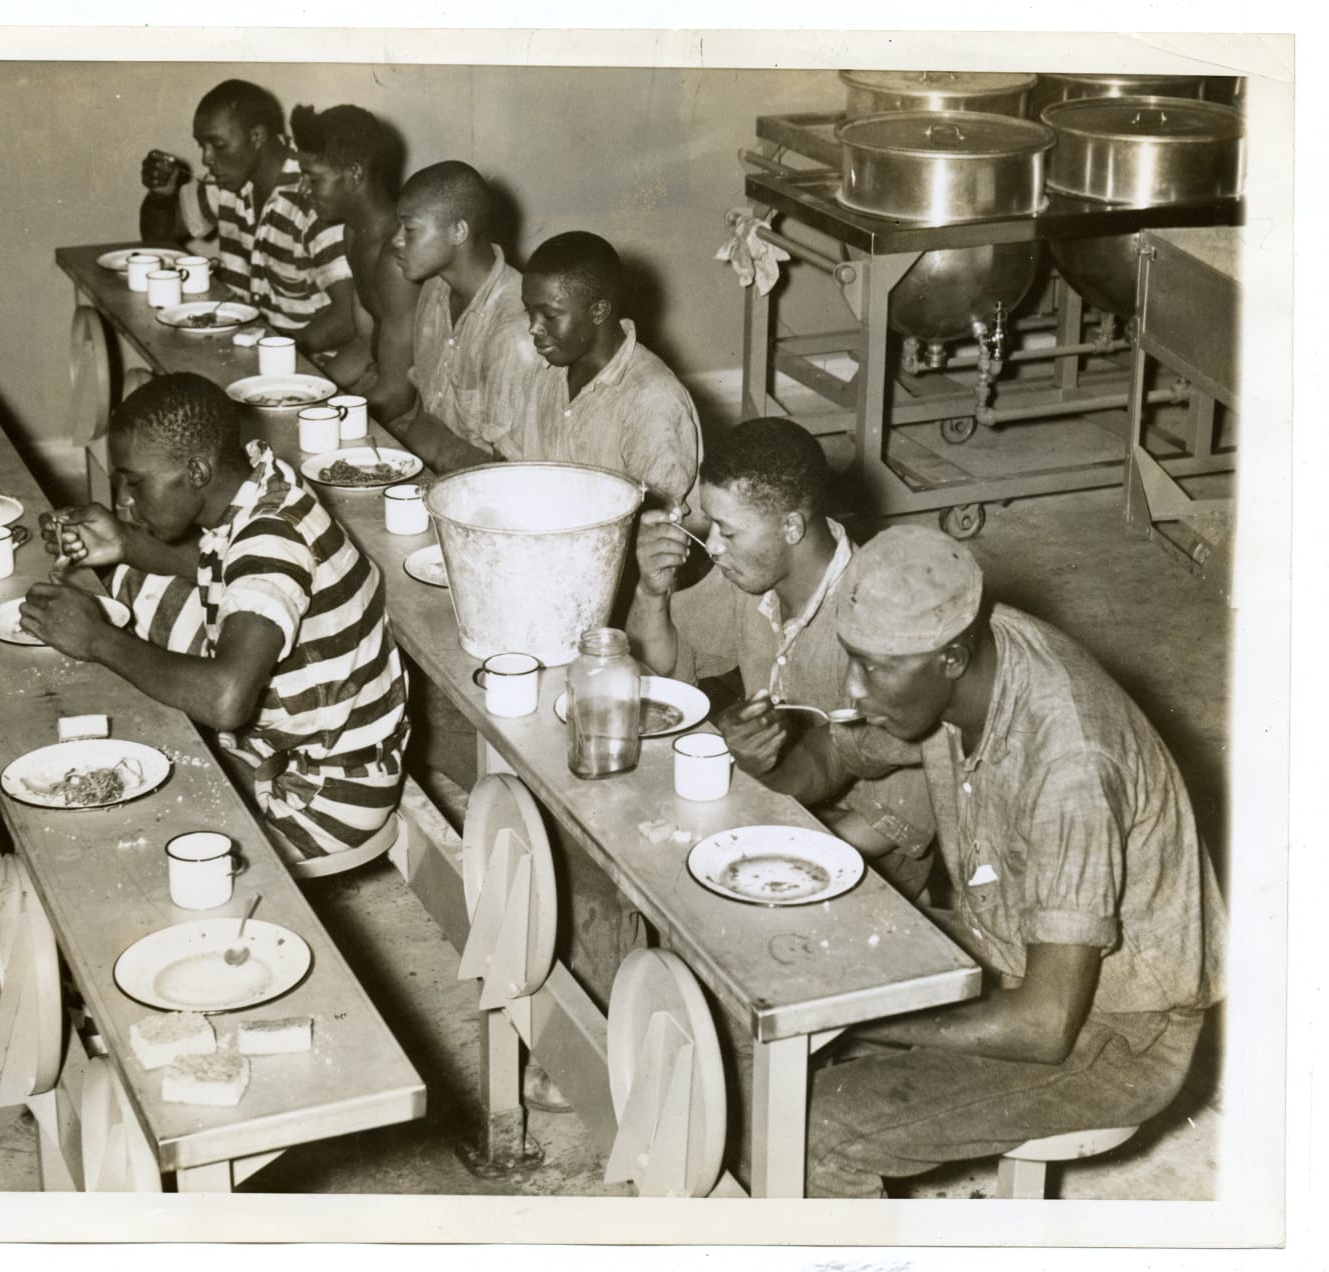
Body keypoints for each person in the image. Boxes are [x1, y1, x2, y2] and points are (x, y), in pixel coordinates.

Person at [781, 525, 1226, 1197]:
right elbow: (834, 755)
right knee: (771, 992)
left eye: (872, 667)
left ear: (951, 658)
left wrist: (855, 1013)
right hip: (1001, 946)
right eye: (853, 659)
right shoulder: (957, 667)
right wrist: (767, 761)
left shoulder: (1070, 765)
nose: (854, 687)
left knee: (810, 1128)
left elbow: (1045, 1027)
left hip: (1113, 1030)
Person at [21, 373, 408, 869]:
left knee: (112, 834)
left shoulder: (270, 544)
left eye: (136, 483)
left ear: (197, 471)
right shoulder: (263, 483)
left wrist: (97, 640)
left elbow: (226, 700)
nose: (125, 500)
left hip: (318, 798)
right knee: (133, 582)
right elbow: (219, 567)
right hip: (325, 747)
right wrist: (124, 543)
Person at [625, 418, 937, 896]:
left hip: (863, 867)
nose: (712, 548)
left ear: (791, 527)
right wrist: (651, 590)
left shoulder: (882, 624)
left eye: (728, 532)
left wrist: (753, 850)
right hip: (769, 810)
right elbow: (664, 671)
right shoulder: (751, 573)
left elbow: (898, 820)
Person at [139, 79, 357, 353]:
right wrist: (161, 197)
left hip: (310, 366)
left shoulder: (314, 197)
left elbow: (348, 317)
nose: (206, 159)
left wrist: (267, 351)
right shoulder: (227, 183)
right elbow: (156, 241)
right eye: (201, 146)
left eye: (217, 145)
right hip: (246, 353)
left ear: (256, 136)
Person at [507, 231, 701, 507]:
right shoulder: (546, 371)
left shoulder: (652, 398)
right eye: (529, 312)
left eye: (549, 316)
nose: (533, 328)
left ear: (598, 312)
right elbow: (519, 471)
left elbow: (656, 525)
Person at [387, 160, 541, 473]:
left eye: (410, 228)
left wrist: (438, 448)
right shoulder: (435, 287)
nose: (396, 240)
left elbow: (514, 476)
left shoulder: (515, 329)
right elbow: (425, 413)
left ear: (459, 231)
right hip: (435, 471)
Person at [290, 103, 421, 420]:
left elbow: (398, 394)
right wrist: (302, 395)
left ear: (354, 174)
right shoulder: (352, 234)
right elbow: (364, 343)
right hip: (379, 384)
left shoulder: (398, 258)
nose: (303, 189)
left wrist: (320, 421)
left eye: (314, 179)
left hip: (420, 409)